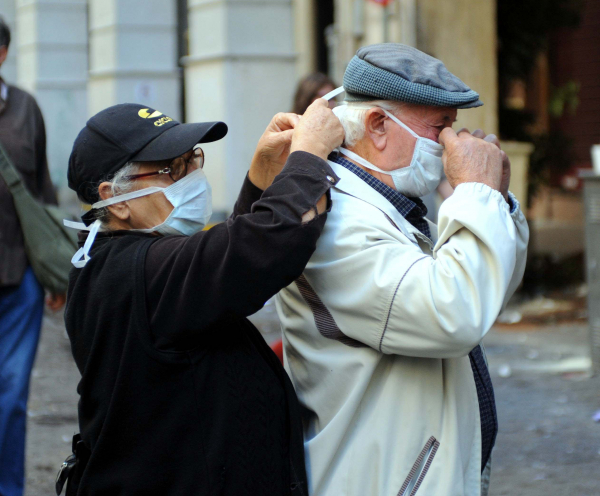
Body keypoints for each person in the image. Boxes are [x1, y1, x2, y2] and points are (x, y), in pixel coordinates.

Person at [276, 43, 529, 496]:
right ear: (377, 126)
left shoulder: (391, 207)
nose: (455, 142)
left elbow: (487, 293)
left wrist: (497, 205)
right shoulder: (337, 224)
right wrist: (475, 197)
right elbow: (455, 314)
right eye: (440, 128)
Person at [59, 98, 343, 495]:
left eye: (192, 159)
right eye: (172, 169)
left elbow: (214, 274)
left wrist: (261, 181)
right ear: (116, 199)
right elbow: (258, 251)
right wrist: (309, 157)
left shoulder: (120, 258)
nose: (192, 175)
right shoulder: (139, 271)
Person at [0, 17, 65, 496]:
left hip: (19, 274)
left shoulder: (26, 109)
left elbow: (42, 190)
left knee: (12, 397)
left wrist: (55, 271)